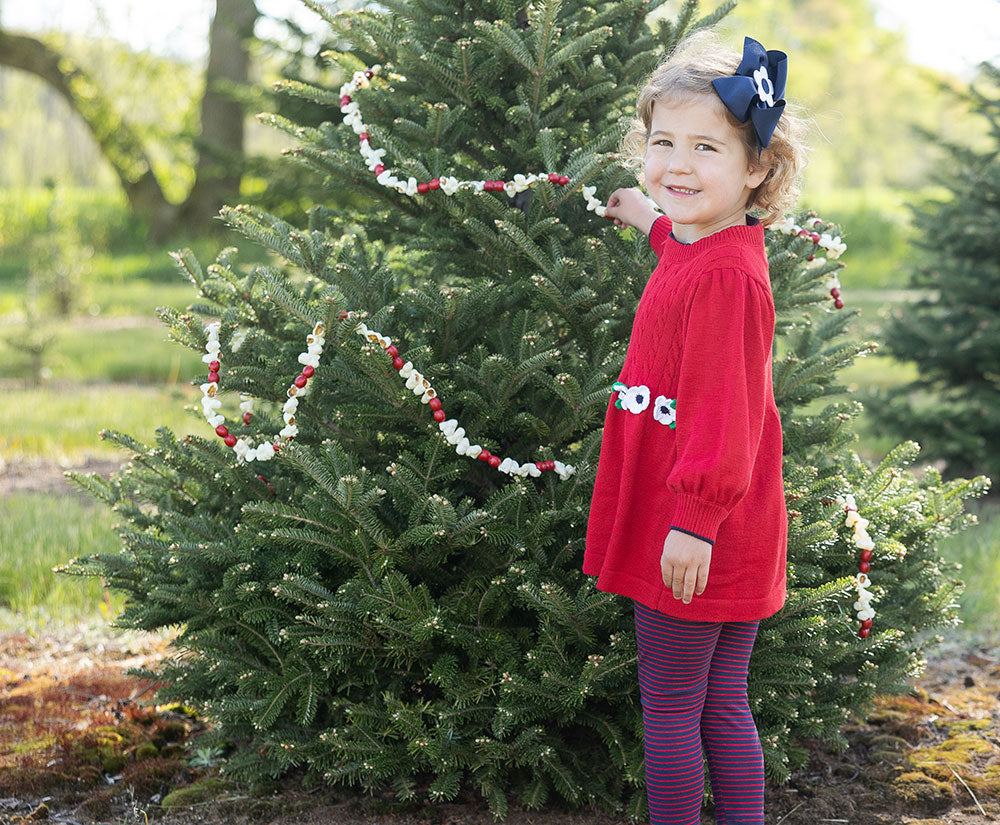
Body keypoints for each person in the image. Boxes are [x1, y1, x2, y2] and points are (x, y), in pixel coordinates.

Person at [582, 33, 807, 825]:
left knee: (676, 707)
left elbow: (725, 412)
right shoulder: (708, 245)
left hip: (696, 527)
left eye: (705, 147)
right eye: (662, 143)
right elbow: (678, 253)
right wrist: (648, 218)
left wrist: (694, 522)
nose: (677, 163)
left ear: (757, 169)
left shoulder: (727, 280)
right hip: (720, 525)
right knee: (719, 698)